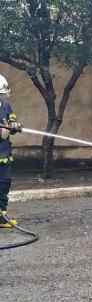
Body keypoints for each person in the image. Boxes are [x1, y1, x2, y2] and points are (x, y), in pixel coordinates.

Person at [0, 74, 22, 228]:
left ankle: (2, 217)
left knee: (4, 185)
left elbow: (12, 120)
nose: (2, 97)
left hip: (4, 154)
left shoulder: (6, 106)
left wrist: (15, 126)